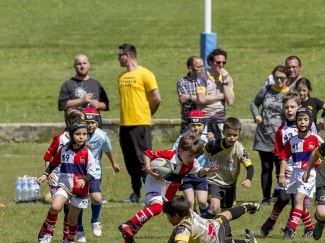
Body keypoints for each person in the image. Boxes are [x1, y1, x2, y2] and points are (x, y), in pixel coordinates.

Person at [117, 131, 218, 243]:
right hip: (155, 181)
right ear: (180, 150)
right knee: (157, 207)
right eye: (190, 155)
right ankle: (128, 224)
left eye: (194, 156)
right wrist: (148, 168)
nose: (192, 158)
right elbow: (147, 153)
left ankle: (130, 234)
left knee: (155, 210)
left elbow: (199, 172)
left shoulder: (192, 162)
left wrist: (208, 170)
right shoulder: (170, 155)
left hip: (169, 190)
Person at [37, 120, 99, 243]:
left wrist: (84, 179)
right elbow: (53, 163)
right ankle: (47, 234)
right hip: (64, 185)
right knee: (55, 207)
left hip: (80, 190)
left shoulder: (87, 153)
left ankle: (70, 238)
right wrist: (45, 174)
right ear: (71, 135)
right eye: (78, 134)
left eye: (84, 134)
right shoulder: (64, 149)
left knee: (72, 219)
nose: (82, 136)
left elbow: (93, 172)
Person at [117, 43, 162, 203]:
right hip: (124, 125)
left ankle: (152, 193)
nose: (118, 58)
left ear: (128, 55)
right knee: (129, 161)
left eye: (120, 55)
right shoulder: (121, 77)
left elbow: (156, 98)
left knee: (144, 160)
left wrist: (147, 115)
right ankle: (135, 193)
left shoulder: (145, 74)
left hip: (141, 124)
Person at [148, 196, 259, 243]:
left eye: (168, 216)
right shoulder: (188, 211)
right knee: (225, 215)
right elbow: (175, 233)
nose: (167, 218)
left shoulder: (183, 228)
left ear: (176, 215)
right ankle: (248, 207)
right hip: (217, 225)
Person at [39, 108, 86, 241]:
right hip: (58, 177)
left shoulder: (82, 139)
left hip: (74, 179)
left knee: (70, 207)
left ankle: (67, 236)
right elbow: (48, 156)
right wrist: (48, 172)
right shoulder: (60, 138)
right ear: (73, 122)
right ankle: (47, 230)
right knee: (58, 206)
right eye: (83, 120)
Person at [74, 107, 120, 241]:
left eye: (92, 123)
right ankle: (79, 229)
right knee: (80, 201)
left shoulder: (101, 135)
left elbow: (108, 149)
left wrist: (114, 163)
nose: (89, 125)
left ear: (97, 123)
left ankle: (95, 221)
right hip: (79, 172)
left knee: (96, 198)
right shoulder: (78, 134)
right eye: (87, 122)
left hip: (94, 172)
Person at [279, 108, 323, 239]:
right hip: (294, 173)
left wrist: (320, 163)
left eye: (305, 119)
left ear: (310, 122)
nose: (302, 122)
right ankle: (309, 229)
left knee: (298, 199)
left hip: (309, 173)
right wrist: (281, 175)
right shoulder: (292, 141)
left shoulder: (316, 139)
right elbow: (283, 158)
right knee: (300, 203)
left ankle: (290, 229)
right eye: (299, 119)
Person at [260, 93, 301, 236]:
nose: (289, 110)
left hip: (303, 170)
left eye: (292, 107)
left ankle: (290, 229)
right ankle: (271, 221)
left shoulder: (308, 126)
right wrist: (283, 171)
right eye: (286, 107)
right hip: (287, 169)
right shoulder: (281, 130)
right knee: (283, 197)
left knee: (297, 200)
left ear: (299, 107)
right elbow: (278, 153)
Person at [251, 65, 290, 206]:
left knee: (281, 168)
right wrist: (256, 116)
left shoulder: (290, 93)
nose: (279, 81)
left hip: (281, 138)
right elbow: (254, 104)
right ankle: (266, 198)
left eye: (282, 78)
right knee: (266, 167)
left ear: (287, 78)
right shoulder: (266, 90)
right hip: (264, 136)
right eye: (276, 78)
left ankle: (280, 196)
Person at [203, 117, 254, 216]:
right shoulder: (215, 145)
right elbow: (199, 152)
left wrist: (248, 179)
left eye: (235, 135)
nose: (232, 138)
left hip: (230, 183)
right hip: (215, 181)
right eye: (229, 135)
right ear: (223, 133)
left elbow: (250, 167)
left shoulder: (239, 148)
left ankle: (220, 230)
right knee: (214, 208)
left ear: (239, 134)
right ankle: (204, 228)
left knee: (225, 214)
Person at [172, 110, 212, 216]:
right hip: (186, 174)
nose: (196, 128)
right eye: (193, 125)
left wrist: (213, 142)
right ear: (189, 125)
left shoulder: (208, 138)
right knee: (190, 203)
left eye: (199, 125)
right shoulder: (182, 138)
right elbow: (173, 153)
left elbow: (216, 155)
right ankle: (194, 223)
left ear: (204, 125)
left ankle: (208, 218)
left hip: (201, 173)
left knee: (203, 202)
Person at [58, 54, 109, 126]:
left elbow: (106, 105)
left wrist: (99, 104)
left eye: (84, 63)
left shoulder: (96, 83)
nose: (82, 66)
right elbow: (62, 105)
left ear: (89, 65)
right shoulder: (67, 85)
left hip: (95, 129)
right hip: (75, 129)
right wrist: (81, 101)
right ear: (74, 66)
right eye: (79, 64)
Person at [196, 48, 234, 140]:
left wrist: (224, 81)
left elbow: (230, 101)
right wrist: (221, 96)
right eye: (218, 62)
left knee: (219, 151)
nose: (221, 65)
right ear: (211, 62)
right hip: (204, 121)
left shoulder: (228, 78)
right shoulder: (202, 76)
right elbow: (201, 99)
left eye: (223, 63)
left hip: (220, 121)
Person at [177, 56, 205, 133]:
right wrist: (202, 99)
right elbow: (184, 101)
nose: (202, 69)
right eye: (199, 67)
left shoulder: (206, 81)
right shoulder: (182, 82)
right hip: (188, 122)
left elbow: (206, 100)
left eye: (203, 66)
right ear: (190, 68)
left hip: (204, 121)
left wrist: (189, 97)